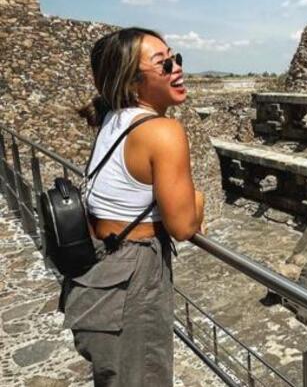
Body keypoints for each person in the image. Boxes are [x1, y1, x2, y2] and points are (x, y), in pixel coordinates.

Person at [63, 27, 205, 386]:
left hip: (100, 274)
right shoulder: (162, 131)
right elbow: (184, 226)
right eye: (164, 64)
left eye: (175, 57)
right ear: (132, 82)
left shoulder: (113, 118)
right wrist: (199, 199)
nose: (177, 68)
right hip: (131, 280)